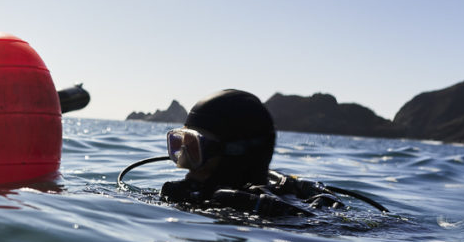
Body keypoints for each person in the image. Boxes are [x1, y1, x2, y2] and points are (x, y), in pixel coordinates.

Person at [120, 89, 386, 216]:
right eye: (179, 145)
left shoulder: (278, 211)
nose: (184, 163)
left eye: (194, 148)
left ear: (235, 154)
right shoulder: (195, 196)